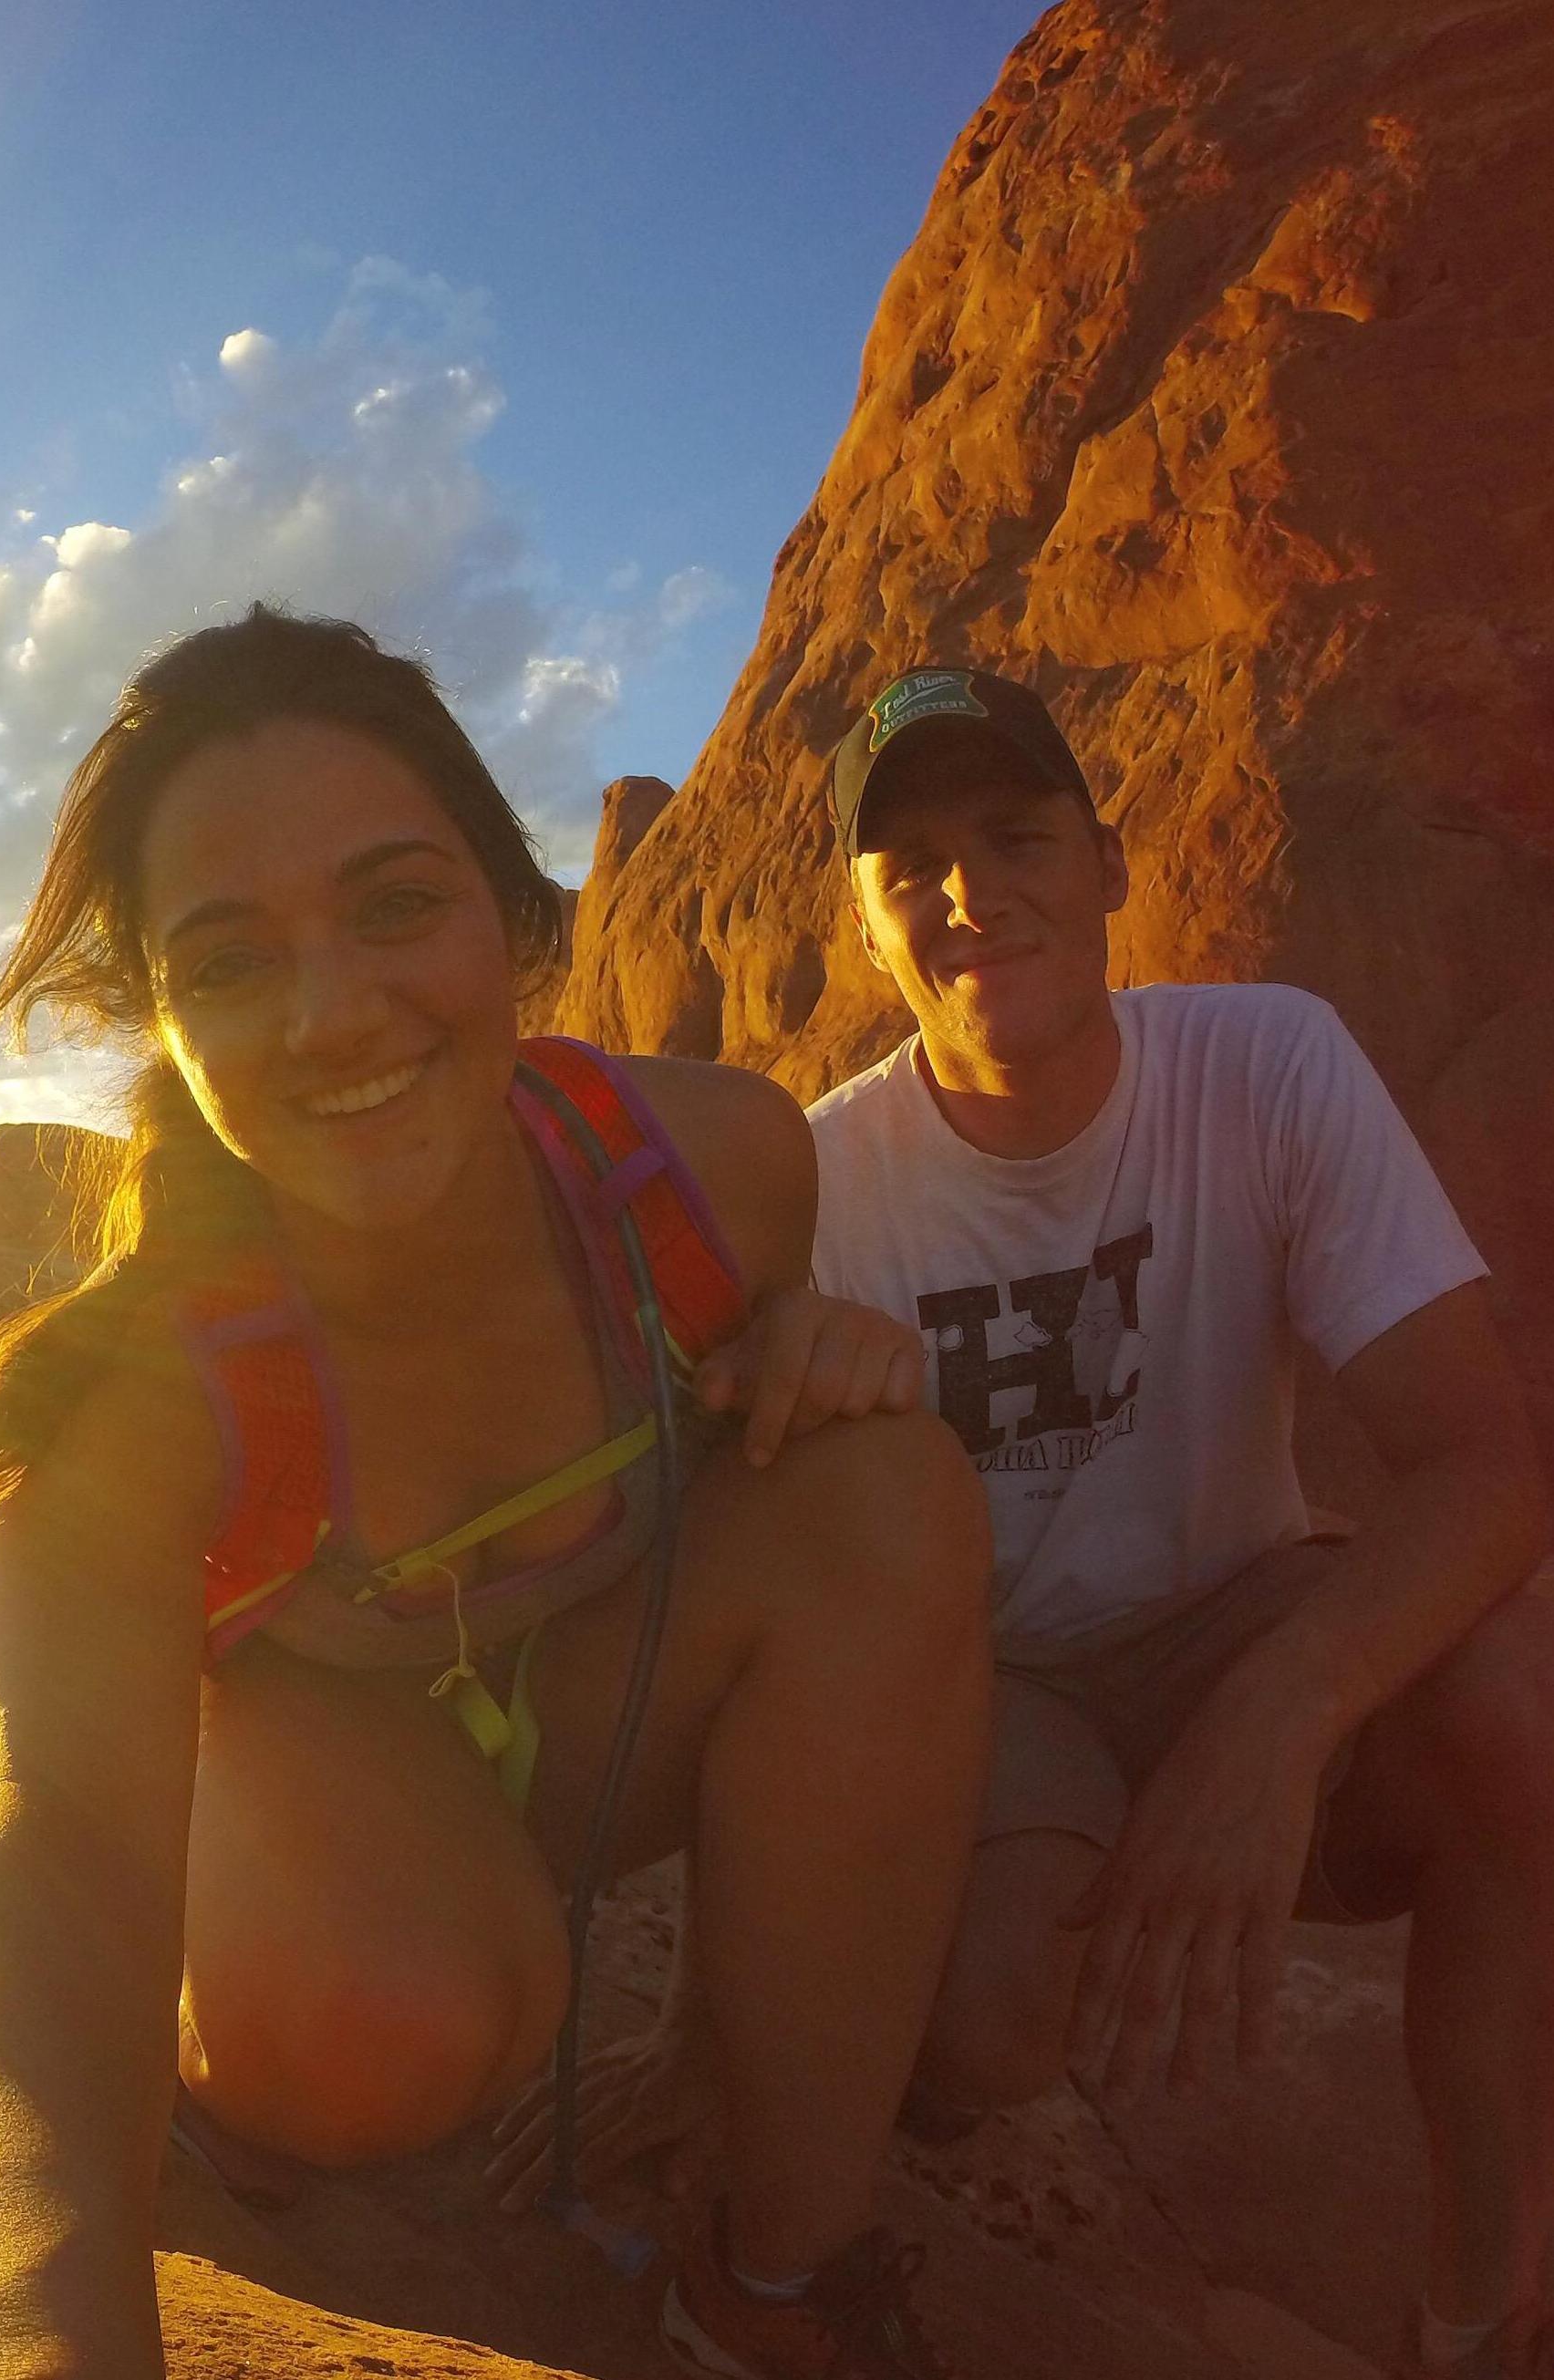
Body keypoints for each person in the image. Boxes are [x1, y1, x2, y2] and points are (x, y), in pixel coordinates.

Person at [0, 607, 993, 2380]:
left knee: (891, 1484)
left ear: (517, 922)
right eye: (231, 961)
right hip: (334, 1795)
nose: (331, 1014)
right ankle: (260, 2040)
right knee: (383, 2029)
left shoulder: (713, 1168)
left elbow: (793, 1499)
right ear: (164, 1019)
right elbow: (41, 1853)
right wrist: (3, 2325)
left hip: (603, 1724)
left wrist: (815, 1356)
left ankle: (770, 2283)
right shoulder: (142, 1397)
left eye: (394, 907)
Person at [496, 666, 1554, 2380]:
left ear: (1110, 862)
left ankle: (1480, 2320)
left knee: (1521, 1705)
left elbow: (1484, 1468)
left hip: (1237, 1610)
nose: (968, 893)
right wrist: (709, 2033)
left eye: (1013, 835)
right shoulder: (822, 1183)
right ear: (865, 932)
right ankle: (896, 2057)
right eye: (909, 868)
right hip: (1000, 1691)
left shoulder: (1264, 1063)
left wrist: (1269, 1729)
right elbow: (747, 1602)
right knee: (991, 2026)